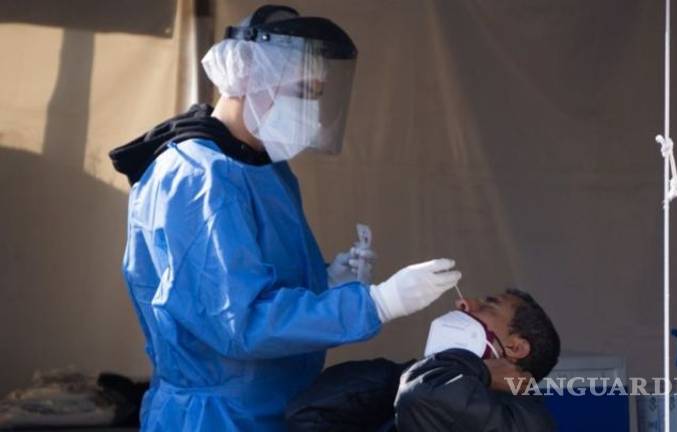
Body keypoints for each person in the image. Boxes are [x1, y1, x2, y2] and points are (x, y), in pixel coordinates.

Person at [108, 5, 461, 432]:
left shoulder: (264, 168)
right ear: (248, 80)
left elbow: (252, 281)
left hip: (275, 406)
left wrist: (323, 280)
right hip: (216, 418)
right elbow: (240, 323)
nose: (312, 111)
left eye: (318, 94)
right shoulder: (199, 177)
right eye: (304, 92)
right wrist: (378, 303)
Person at [286, 289, 561, 431]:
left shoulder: (523, 419)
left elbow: (424, 396)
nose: (464, 304)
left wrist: (467, 370)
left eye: (489, 305)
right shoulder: (431, 386)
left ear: (515, 347)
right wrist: (413, 373)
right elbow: (311, 415)